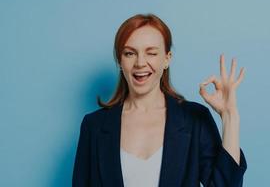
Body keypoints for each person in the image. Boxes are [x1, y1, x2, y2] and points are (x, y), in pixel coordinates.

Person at [72, 13, 247, 187]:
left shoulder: (195, 119)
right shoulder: (93, 125)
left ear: (166, 59)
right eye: (129, 53)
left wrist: (230, 116)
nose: (140, 62)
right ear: (120, 61)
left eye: (151, 53)